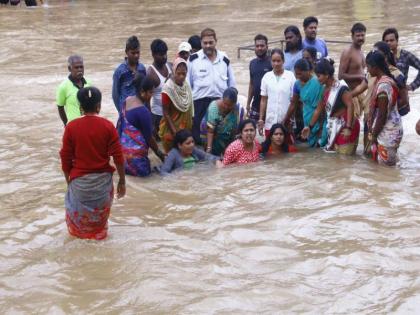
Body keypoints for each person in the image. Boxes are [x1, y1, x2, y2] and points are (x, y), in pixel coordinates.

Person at [59, 87, 125, 240]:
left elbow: (65, 159)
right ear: (98, 106)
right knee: (99, 230)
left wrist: (69, 181)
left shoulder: (71, 127)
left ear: (81, 107)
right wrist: (122, 180)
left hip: (79, 185)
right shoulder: (108, 126)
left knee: (78, 233)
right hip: (102, 186)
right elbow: (118, 157)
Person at [188, 28, 236, 144]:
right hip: (199, 105)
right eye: (205, 43)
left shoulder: (224, 59)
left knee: (220, 139)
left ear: (216, 41)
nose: (208, 45)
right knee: (199, 139)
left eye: (211, 42)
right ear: (201, 43)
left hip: (221, 105)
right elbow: (187, 87)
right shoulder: (193, 60)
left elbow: (232, 86)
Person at [302, 59, 360, 154]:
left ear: (326, 75)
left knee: (344, 159)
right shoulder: (324, 90)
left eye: (319, 76)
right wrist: (309, 126)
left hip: (345, 127)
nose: (317, 79)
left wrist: (348, 128)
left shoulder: (341, 87)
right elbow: (318, 110)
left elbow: (350, 106)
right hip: (334, 127)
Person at [120, 74, 165, 177]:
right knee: (149, 179)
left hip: (123, 156)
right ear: (142, 92)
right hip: (137, 160)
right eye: (150, 92)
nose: (152, 95)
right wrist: (160, 154)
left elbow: (121, 124)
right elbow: (149, 138)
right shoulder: (143, 112)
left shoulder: (127, 100)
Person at [366, 51, 403, 166]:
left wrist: (374, 135)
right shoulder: (384, 80)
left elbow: (382, 115)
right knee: (388, 168)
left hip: (388, 132)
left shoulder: (383, 86)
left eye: (368, 67)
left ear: (375, 67)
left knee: (386, 170)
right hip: (390, 130)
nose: (367, 70)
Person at [284, 59, 326, 147]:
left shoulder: (318, 82)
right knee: (311, 147)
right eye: (296, 73)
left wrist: (321, 127)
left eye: (300, 73)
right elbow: (293, 104)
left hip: (319, 118)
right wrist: (286, 119)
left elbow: (322, 106)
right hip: (307, 118)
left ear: (308, 71)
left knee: (321, 145)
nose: (298, 76)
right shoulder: (297, 85)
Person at [258, 49, 296, 139]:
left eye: (278, 61)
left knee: (287, 149)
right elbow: (263, 100)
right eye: (273, 61)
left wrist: (291, 119)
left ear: (283, 61)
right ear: (270, 61)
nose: (276, 64)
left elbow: (294, 101)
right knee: (270, 150)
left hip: (286, 121)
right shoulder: (266, 77)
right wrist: (261, 119)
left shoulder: (290, 76)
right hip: (270, 121)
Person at [159, 58, 194, 153]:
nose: (182, 76)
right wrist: (175, 133)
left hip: (185, 126)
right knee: (172, 155)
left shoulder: (186, 85)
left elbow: (190, 105)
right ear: (174, 72)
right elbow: (166, 113)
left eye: (184, 74)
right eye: (178, 73)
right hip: (171, 129)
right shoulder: (168, 89)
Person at [338, 23, 367, 118]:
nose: (360, 38)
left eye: (362, 35)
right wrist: (361, 77)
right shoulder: (348, 52)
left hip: (360, 92)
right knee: (353, 123)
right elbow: (340, 76)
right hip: (350, 93)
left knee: (366, 118)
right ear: (352, 36)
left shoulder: (361, 51)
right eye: (358, 36)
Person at [112, 36, 147, 114]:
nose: (136, 55)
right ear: (126, 52)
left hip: (141, 109)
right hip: (126, 111)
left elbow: (146, 90)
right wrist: (121, 112)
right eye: (133, 53)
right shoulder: (120, 71)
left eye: (138, 52)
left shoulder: (142, 69)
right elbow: (115, 95)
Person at [204, 87, 243, 156]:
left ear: (234, 104)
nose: (226, 107)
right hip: (212, 136)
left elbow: (235, 131)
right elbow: (210, 131)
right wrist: (209, 148)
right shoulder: (214, 108)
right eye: (225, 103)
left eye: (230, 105)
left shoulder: (237, 110)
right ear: (222, 99)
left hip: (227, 137)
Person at [147, 39, 172, 140]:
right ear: (153, 54)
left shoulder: (170, 66)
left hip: (171, 114)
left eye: (165, 54)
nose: (164, 57)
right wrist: (151, 124)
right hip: (158, 116)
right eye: (161, 54)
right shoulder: (150, 73)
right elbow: (147, 100)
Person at [56, 55, 91, 126]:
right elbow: (60, 107)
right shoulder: (63, 87)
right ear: (69, 68)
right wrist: (66, 125)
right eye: (76, 67)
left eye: (81, 67)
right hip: (73, 125)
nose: (79, 70)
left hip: (88, 124)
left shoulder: (88, 83)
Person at [383, 27, 420, 92]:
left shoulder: (406, 55)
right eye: (386, 41)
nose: (388, 43)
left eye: (391, 40)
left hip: (402, 94)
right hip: (385, 94)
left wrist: (412, 86)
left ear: (397, 41)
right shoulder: (380, 57)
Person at [246, 34, 272, 120]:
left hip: (270, 107)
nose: (259, 48)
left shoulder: (272, 62)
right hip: (255, 106)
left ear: (267, 47)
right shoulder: (252, 63)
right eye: (257, 46)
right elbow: (251, 84)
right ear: (254, 47)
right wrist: (248, 103)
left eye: (262, 46)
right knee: (253, 131)